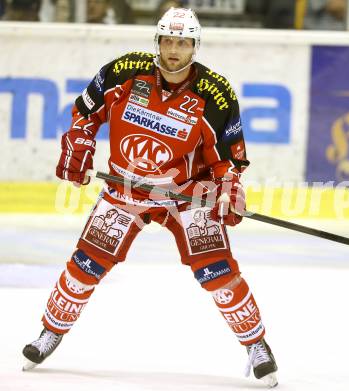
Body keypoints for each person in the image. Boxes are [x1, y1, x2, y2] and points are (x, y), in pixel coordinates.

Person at [22, 7, 278, 388]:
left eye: (183, 42)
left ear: (195, 47)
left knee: (218, 272)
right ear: (157, 42)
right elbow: (85, 113)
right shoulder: (125, 71)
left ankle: (257, 345)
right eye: (168, 40)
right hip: (126, 188)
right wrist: (78, 142)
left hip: (188, 194)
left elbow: (229, 159)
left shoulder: (215, 94)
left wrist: (228, 187)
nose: (174, 49)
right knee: (86, 264)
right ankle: (51, 332)